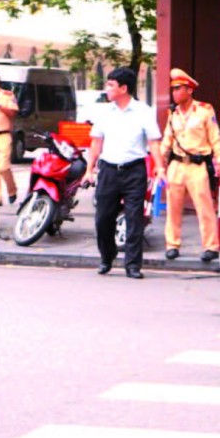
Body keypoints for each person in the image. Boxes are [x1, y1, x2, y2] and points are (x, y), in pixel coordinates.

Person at [82, 67, 164, 279]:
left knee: (134, 219)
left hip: (134, 170)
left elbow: (154, 142)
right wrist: (89, 170)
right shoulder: (104, 112)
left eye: (111, 85)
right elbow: (96, 142)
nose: (107, 89)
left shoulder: (143, 112)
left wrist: (160, 167)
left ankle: (133, 265)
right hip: (108, 170)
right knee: (103, 219)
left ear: (124, 88)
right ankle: (106, 257)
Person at [160, 68, 220, 262]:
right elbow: (167, 138)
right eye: (173, 89)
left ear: (189, 90)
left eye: (178, 88)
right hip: (177, 165)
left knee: (204, 206)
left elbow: (215, 137)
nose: (174, 93)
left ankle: (211, 246)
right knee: (173, 207)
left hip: (197, 165)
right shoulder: (173, 113)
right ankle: (172, 244)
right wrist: (160, 164)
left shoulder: (205, 110)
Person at [0, 72, 18, 207]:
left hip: (3, 134)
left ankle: (12, 190)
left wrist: (1, 107)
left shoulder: (7, 95)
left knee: (3, 167)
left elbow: (13, 113)